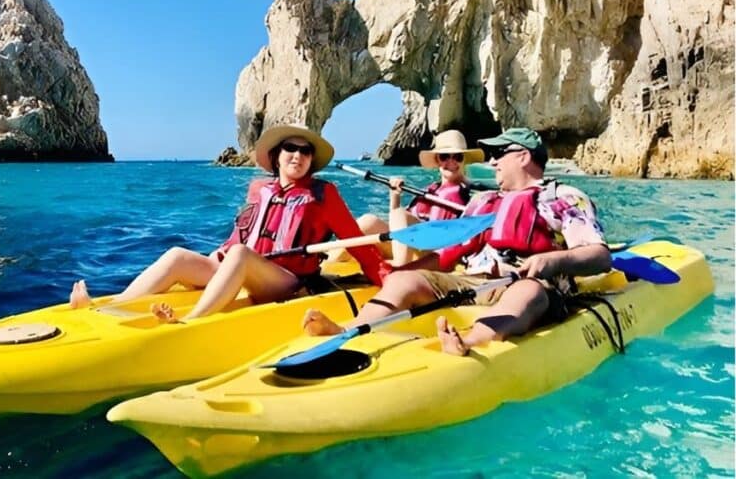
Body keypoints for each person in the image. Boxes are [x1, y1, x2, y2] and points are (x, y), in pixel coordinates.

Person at [303, 127, 610, 356]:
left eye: (498, 156)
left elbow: (599, 255)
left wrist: (554, 260)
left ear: (523, 156)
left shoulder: (563, 197)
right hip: (472, 281)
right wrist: (405, 273)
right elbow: (451, 252)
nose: (492, 163)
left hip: (531, 285)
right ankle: (349, 329)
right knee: (405, 281)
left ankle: (471, 341)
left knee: (527, 292)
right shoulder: (484, 201)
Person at [70, 123, 392, 322]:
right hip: (243, 264)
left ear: (311, 160)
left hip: (288, 281)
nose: (298, 155)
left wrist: (390, 281)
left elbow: (358, 245)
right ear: (277, 155)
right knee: (178, 256)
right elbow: (240, 237)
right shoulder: (259, 189)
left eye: (305, 151)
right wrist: (216, 258)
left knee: (239, 257)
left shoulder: (324, 194)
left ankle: (189, 323)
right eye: (290, 149)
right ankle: (108, 309)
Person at [355, 130, 483, 265]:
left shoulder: (464, 191)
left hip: (434, 255)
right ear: (437, 160)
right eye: (445, 156)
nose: (451, 162)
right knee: (368, 221)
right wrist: (395, 195)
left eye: (457, 157)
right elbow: (398, 224)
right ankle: (332, 263)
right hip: (413, 247)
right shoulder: (431, 188)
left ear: (463, 161)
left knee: (400, 214)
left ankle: (400, 269)